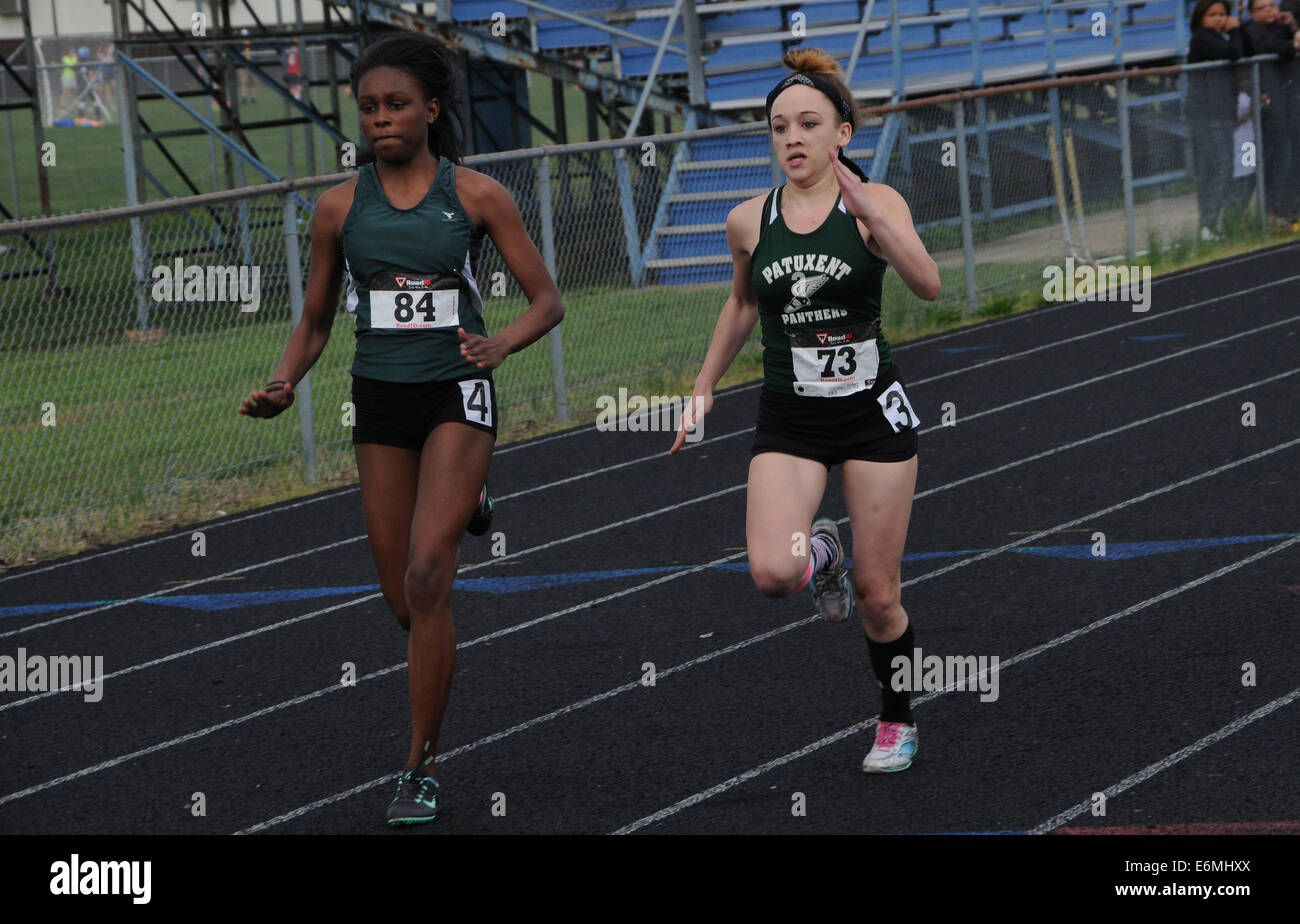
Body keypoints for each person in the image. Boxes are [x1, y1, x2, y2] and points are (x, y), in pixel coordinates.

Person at [238, 32, 563, 824]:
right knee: (403, 605)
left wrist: (499, 345)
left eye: (396, 105)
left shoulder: (478, 196)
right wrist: (286, 381)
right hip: (380, 401)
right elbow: (315, 320)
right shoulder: (339, 207)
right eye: (370, 108)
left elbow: (547, 301)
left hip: (457, 390)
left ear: (430, 109)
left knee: (428, 577)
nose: (382, 119)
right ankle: (463, 505)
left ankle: (418, 766)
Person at [670, 49, 940, 773]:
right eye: (779, 126)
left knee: (881, 598)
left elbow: (930, 285)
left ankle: (896, 719)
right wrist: (702, 387)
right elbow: (739, 304)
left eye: (808, 124)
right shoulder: (747, 221)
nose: (792, 138)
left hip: (873, 417)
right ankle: (823, 552)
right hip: (790, 417)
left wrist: (873, 221)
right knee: (771, 575)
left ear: (841, 135)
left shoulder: (877, 204)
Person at [1187, 0, 1244, 240]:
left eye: (1223, 14)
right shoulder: (1202, 38)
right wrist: (1235, 31)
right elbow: (1233, 54)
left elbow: (1246, 51)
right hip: (1206, 113)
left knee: (1218, 166)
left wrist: (1239, 31)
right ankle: (1208, 225)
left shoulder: (1222, 37)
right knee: (1220, 165)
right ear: (1201, 18)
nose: (1219, 19)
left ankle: (1211, 225)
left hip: (1222, 112)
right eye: (1213, 14)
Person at [1242, 0, 1300, 230]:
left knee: (1284, 157)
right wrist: (1289, 44)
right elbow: (1283, 48)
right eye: (1262, 7)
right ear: (1251, 12)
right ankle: (1239, 215)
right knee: (1254, 166)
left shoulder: (1282, 28)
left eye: (1272, 6)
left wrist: (1293, 26)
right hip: (1258, 114)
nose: (1270, 11)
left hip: (1282, 112)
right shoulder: (1249, 31)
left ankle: (1274, 212)